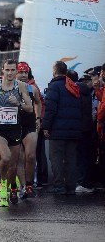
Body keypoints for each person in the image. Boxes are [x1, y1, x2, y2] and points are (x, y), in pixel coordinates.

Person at [0, 60, 33, 206]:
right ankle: (3, 185)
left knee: (13, 165)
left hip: (15, 128)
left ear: (16, 71)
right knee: (6, 157)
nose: (10, 73)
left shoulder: (21, 86)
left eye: (12, 70)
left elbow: (30, 108)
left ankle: (11, 188)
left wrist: (19, 104)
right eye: (7, 70)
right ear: (2, 70)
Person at [42, 61, 84, 195]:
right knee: (71, 158)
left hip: (58, 130)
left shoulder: (54, 86)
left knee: (56, 158)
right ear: (65, 72)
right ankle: (71, 186)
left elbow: (50, 109)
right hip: (74, 130)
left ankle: (59, 186)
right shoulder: (73, 86)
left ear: (54, 71)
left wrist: (46, 126)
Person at [15, 62, 43, 198]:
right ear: (15, 73)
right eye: (20, 72)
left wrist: (38, 118)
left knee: (30, 156)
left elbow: (38, 102)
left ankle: (30, 184)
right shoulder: (8, 88)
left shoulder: (32, 89)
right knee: (18, 158)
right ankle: (23, 186)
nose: (23, 75)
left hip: (30, 125)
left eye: (25, 72)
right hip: (13, 126)